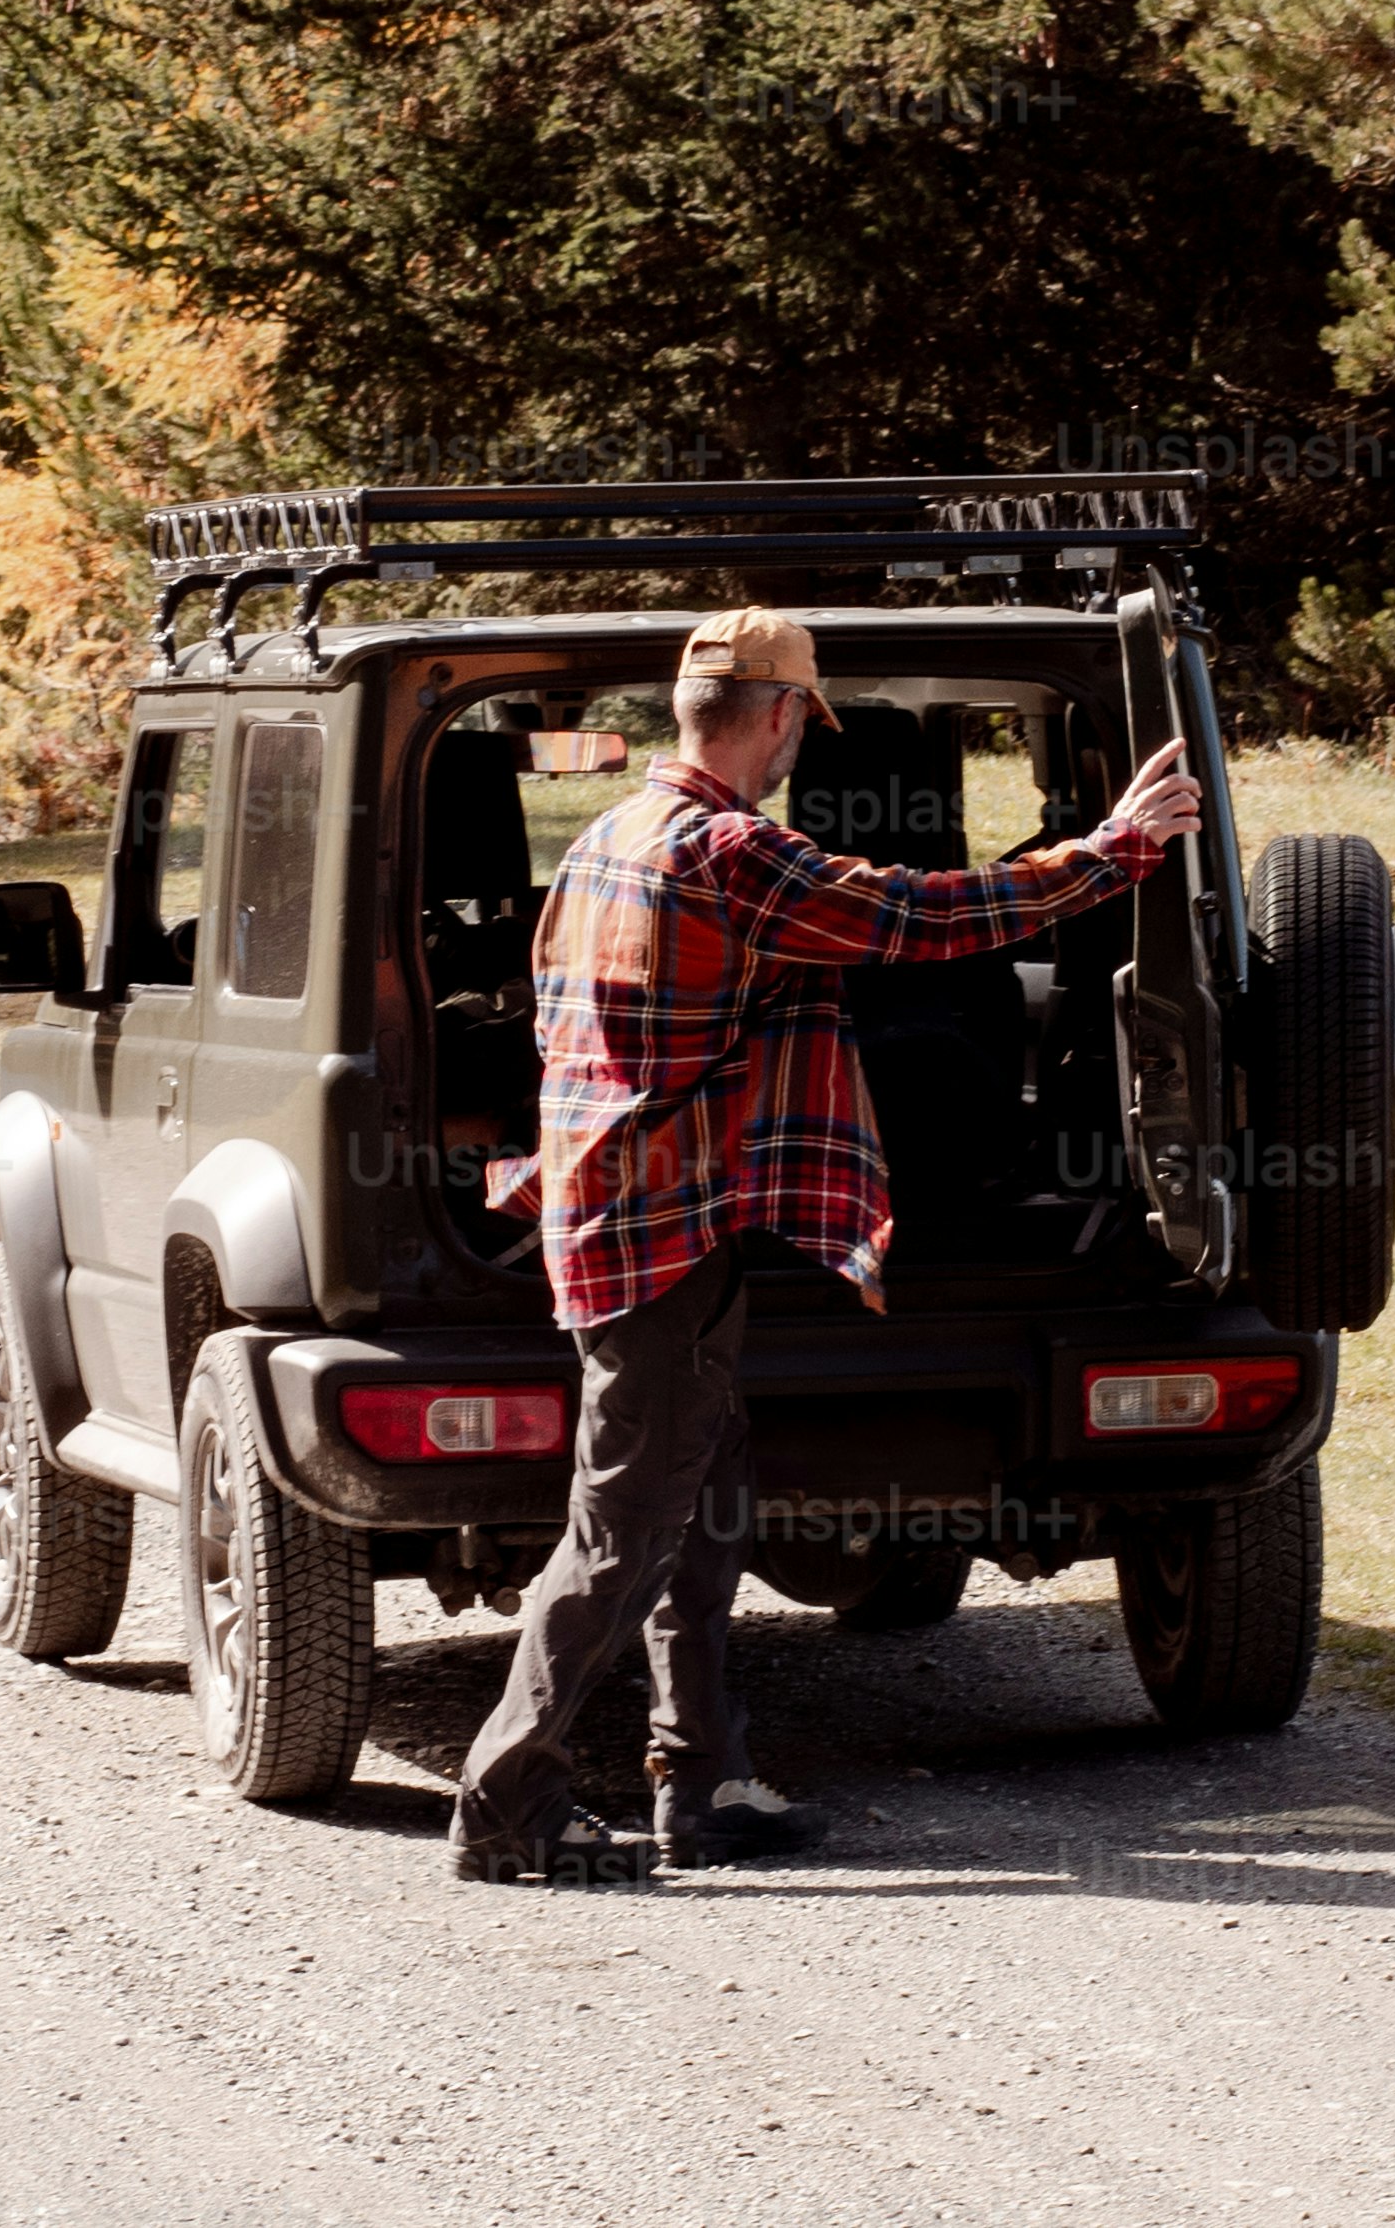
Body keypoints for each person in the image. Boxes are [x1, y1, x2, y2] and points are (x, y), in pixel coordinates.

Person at [442, 602, 1207, 1884]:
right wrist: (1115, 851)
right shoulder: (733, 852)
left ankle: (704, 1774)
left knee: (703, 1503)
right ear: (786, 715)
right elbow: (925, 916)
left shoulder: (607, 841)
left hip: (635, 1219)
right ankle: (504, 1798)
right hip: (660, 1237)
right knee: (624, 1526)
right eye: (806, 718)